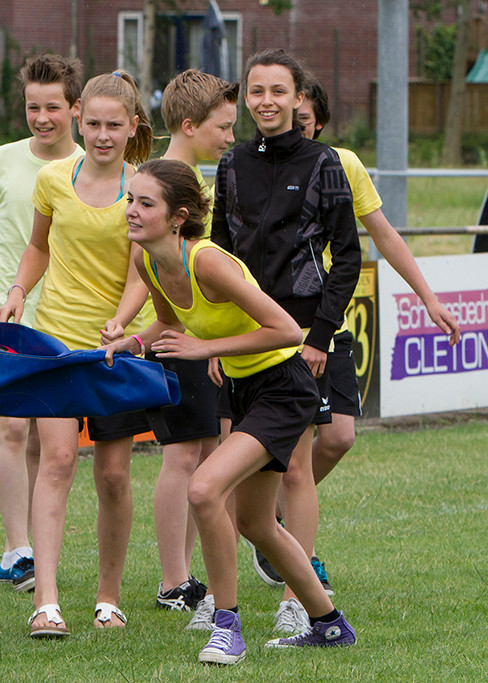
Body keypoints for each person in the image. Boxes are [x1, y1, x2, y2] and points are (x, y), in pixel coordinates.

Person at [106, 158, 356, 665]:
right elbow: (169, 322)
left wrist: (207, 349)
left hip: (284, 387)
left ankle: (227, 627)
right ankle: (331, 625)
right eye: (130, 199)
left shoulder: (207, 261)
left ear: (177, 218)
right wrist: (133, 342)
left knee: (203, 489)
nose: (131, 210)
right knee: (257, 524)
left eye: (145, 203)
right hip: (243, 389)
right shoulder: (147, 260)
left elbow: (287, 330)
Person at [253, 75, 461, 616]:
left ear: (317, 122)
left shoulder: (340, 164)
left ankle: (274, 524)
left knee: (340, 437)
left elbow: (382, 235)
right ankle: (295, 565)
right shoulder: (251, 165)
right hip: (279, 334)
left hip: (329, 327)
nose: (290, 124)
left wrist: (428, 297)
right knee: (294, 462)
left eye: (302, 119)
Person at [209, 48, 362, 635]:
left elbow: (347, 257)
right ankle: (217, 598)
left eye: (278, 91)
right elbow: (218, 258)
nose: (267, 101)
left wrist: (319, 337)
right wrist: (220, 342)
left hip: (299, 339)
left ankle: (297, 600)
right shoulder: (231, 164)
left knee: (296, 468)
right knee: (225, 471)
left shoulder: (325, 163)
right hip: (241, 340)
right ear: (245, 98)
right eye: (257, 91)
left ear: (300, 98)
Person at [0, 69, 153, 637]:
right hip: (57, 342)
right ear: (79, 120)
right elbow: (37, 247)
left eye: (115, 125)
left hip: (116, 351)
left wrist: (122, 322)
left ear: (132, 126)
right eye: (94, 124)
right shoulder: (53, 180)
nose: (103, 135)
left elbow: (142, 273)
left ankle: (108, 599)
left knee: (112, 476)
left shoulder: (144, 187)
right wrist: (19, 290)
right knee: (57, 461)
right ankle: (46, 601)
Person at [0, 53, 84, 592]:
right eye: (33, 107)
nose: (42, 118)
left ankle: (36, 543)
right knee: (8, 427)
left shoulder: (89, 166)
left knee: (45, 442)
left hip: (60, 315)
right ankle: (15, 549)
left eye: (53, 107)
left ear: (75, 108)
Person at [148, 69, 238, 623]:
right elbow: (142, 265)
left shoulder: (192, 177)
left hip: (196, 338)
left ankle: (185, 576)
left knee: (204, 455)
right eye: (222, 127)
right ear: (189, 124)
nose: (230, 137)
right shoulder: (170, 182)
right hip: (175, 337)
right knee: (183, 456)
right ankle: (173, 580)